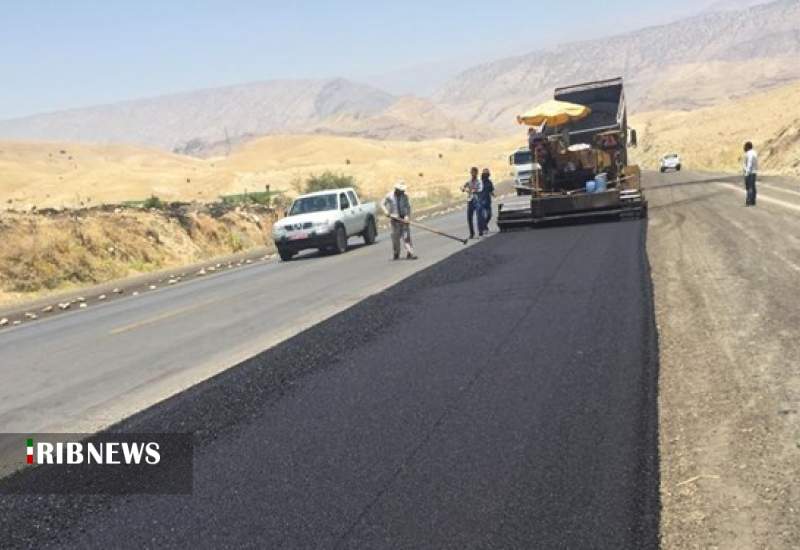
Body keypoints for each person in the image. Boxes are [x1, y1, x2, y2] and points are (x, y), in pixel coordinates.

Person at [381, 181, 418, 260]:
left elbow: (408, 207)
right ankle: (396, 253)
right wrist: (386, 211)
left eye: (403, 190)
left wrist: (407, 216)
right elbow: (382, 204)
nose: (403, 191)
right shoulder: (389, 196)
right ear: (396, 189)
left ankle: (410, 253)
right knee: (396, 238)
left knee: (406, 237)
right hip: (395, 219)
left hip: (403, 219)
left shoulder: (405, 196)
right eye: (401, 190)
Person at [461, 167, 484, 238]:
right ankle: (471, 233)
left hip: (477, 200)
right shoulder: (469, 181)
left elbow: (480, 189)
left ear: (476, 173)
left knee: (479, 217)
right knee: (469, 218)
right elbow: (463, 187)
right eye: (471, 172)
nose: (472, 174)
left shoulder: (479, 181)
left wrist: (474, 190)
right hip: (470, 200)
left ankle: (480, 232)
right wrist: (463, 188)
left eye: (473, 172)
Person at [743, 141, 758, 207]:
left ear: (748, 147)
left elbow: (749, 163)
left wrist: (747, 173)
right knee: (753, 187)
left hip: (750, 172)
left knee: (749, 187)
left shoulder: (749, 154)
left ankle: (748, 201)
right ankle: (753, 201)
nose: (744, 148)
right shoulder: (754, 153)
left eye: (745, 147)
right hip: (754, 172)